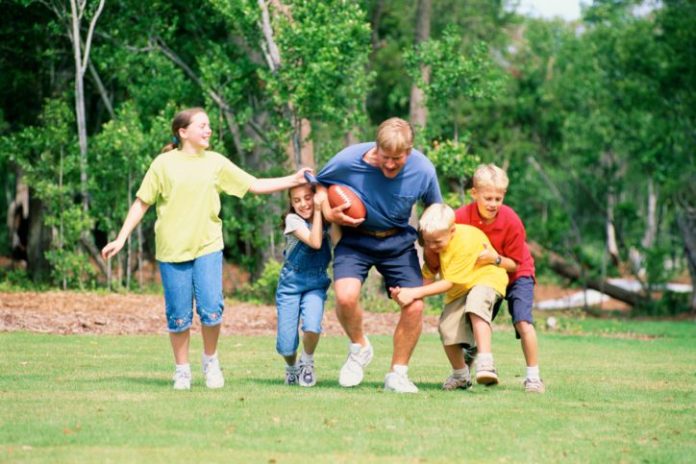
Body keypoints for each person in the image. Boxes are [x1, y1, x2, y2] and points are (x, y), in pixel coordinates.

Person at [101, 107, 310, 391]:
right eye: (202, 125)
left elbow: (254, 184)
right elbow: (142, 202)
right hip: (173, 249)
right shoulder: (163, 165)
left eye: (209, 125)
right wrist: (121, 237)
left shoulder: (215, 163)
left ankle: (210, 361)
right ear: (182, 131)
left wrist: (294, 179)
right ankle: (182, 370)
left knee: (212, 310)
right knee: (178, 316)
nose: (208, 130)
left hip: (208, 246)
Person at [316, 117, 442, 393]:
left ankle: (397, 374)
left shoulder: (423, 169)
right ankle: (359, 347)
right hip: (355, 240)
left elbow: (436, 208)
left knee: (415, 306)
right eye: (384, 157)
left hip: (398, 242)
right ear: (376, 148)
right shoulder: (348, 160)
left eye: (397, 158)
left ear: (409, 152)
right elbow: (319, 184)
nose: (389, 164)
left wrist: (435, 247)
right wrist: (328, 212)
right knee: (346, 297)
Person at [425, 164, 545, 393]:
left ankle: (533, 377)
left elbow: (515, 263)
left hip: (515, 272)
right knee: (471, 316)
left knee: (522, 321)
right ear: (474, 193)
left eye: (498, 198)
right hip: (481, 276)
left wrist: (495, 258)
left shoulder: (511, 221)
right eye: (488, 198)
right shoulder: (459, 218)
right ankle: (462, 373)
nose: (493, 204)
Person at [390, 203, 508, 389]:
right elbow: (428, 278)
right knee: (447, 329)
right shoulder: (433, 245)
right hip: (460, 289)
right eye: (427, 242)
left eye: (437, 242)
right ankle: (461, 375)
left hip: (485, 279)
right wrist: (407, 295)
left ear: (452, 231)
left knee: (476, 305)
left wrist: (413, 293)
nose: (431, 246)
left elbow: (447, 283)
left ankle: (486, 363)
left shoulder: (466, 240)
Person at [275, 184, 337, 387]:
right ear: (291, 204)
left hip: (316, 283)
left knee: (312, 326)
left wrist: (330, 211)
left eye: (308, 197)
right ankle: (292, 367)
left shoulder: (327, 220)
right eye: (297, 200)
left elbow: (337, 239)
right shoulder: (292, 220)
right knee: (286, 346)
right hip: (290, 284)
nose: (303, 204)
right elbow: (315, 241)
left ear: (316, 196)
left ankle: (307, 362)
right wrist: (318, 210)